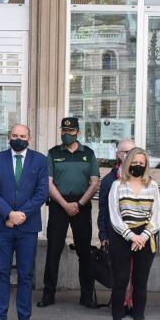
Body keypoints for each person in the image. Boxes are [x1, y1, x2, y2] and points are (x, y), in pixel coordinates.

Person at [0, 124, 48, 320]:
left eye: (22, 136)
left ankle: (24, 318)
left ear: (29, 138)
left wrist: (21, 215)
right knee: (1, 272)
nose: (18, 139)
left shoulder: (39, 160)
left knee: (25, 274)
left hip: (27, 227)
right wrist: (8, 214)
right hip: (2, 226)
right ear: (8, 137)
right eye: (14, 135)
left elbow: (41, 192)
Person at [40, 117, 100, 308]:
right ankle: (48, 294)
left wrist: (79, 204)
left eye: (71, 131)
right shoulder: (53, 153)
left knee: (85, 252)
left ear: (78, 133)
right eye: (64, 131)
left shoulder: (88, 154)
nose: (66, 134)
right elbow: (47, 183)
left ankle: (87, 295)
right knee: (53, 251)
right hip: (59, 205)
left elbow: (95, 182)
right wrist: (65, 204)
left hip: (81, 206)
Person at [106, 147, 160, 320]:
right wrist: (131, 236)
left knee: (140, 284)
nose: (138, 165)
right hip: (122, 237)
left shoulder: (152, 186)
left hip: (145, 239)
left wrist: (144, 236)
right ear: (128, 163)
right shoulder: (117, 186)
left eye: (142, 162)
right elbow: (114, 215)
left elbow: (156, 216)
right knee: (120, 281)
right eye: (134, 162)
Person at [96, 139, 136, 248]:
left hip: (138, 235)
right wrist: (103, 236)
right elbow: (103, 210)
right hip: (116, 234)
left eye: (134, 151)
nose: (131, 156)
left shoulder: (145, 179)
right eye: (127, 152)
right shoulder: (109, 181)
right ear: (119, 154)